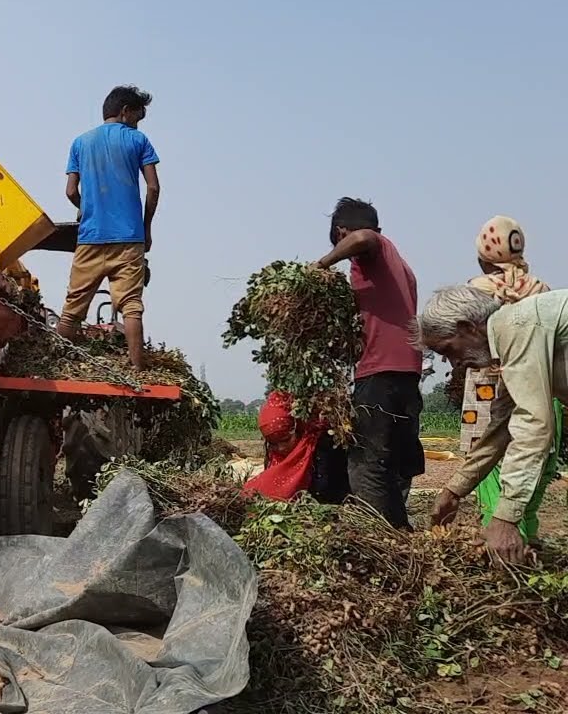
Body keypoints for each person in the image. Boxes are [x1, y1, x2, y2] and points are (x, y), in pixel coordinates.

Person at [417, 285, 568, 564]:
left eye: (449, 350)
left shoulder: (518, 328)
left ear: (467, 328)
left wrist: (504, 520)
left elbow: (533, 425)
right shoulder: (514, 336)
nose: (455, 363)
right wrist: (454, 491)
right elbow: (500, 424)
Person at [311, 198, 424, 529]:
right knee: (395, 465)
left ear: (341, 231)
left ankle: (380, 541)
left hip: (380, 373)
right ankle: (401, 534)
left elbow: (363, 239)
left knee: (366, 464)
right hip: (407, 373)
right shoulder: (401, 267)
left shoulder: (372, 247)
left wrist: (322, 265)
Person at [459, 216, 560, 544]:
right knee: (530, 468)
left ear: (482, 258)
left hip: (494, 392)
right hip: (544, 391)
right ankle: (526, 540)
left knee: (492, 471)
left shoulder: (476, 289)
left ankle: (500, 545)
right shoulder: (541, 288)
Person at [58, 85, 161, 370]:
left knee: (72, 311)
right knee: (131, 306)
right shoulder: (138, 140)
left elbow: (69, 191)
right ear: (125, 111)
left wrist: (85, 207)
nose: (137, 124)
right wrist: (146, 228)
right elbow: (153, 188)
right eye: (137, 117)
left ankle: (55, 367)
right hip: (129, 238)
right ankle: (138, 371)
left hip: (90, 238)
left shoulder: (80, 142)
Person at [243, 391, 349, 503]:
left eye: (285, 440)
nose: (281, 448)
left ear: (297, 428)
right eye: (273, 444)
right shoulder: (273, 456)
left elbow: (328, 492)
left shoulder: (322, 446)